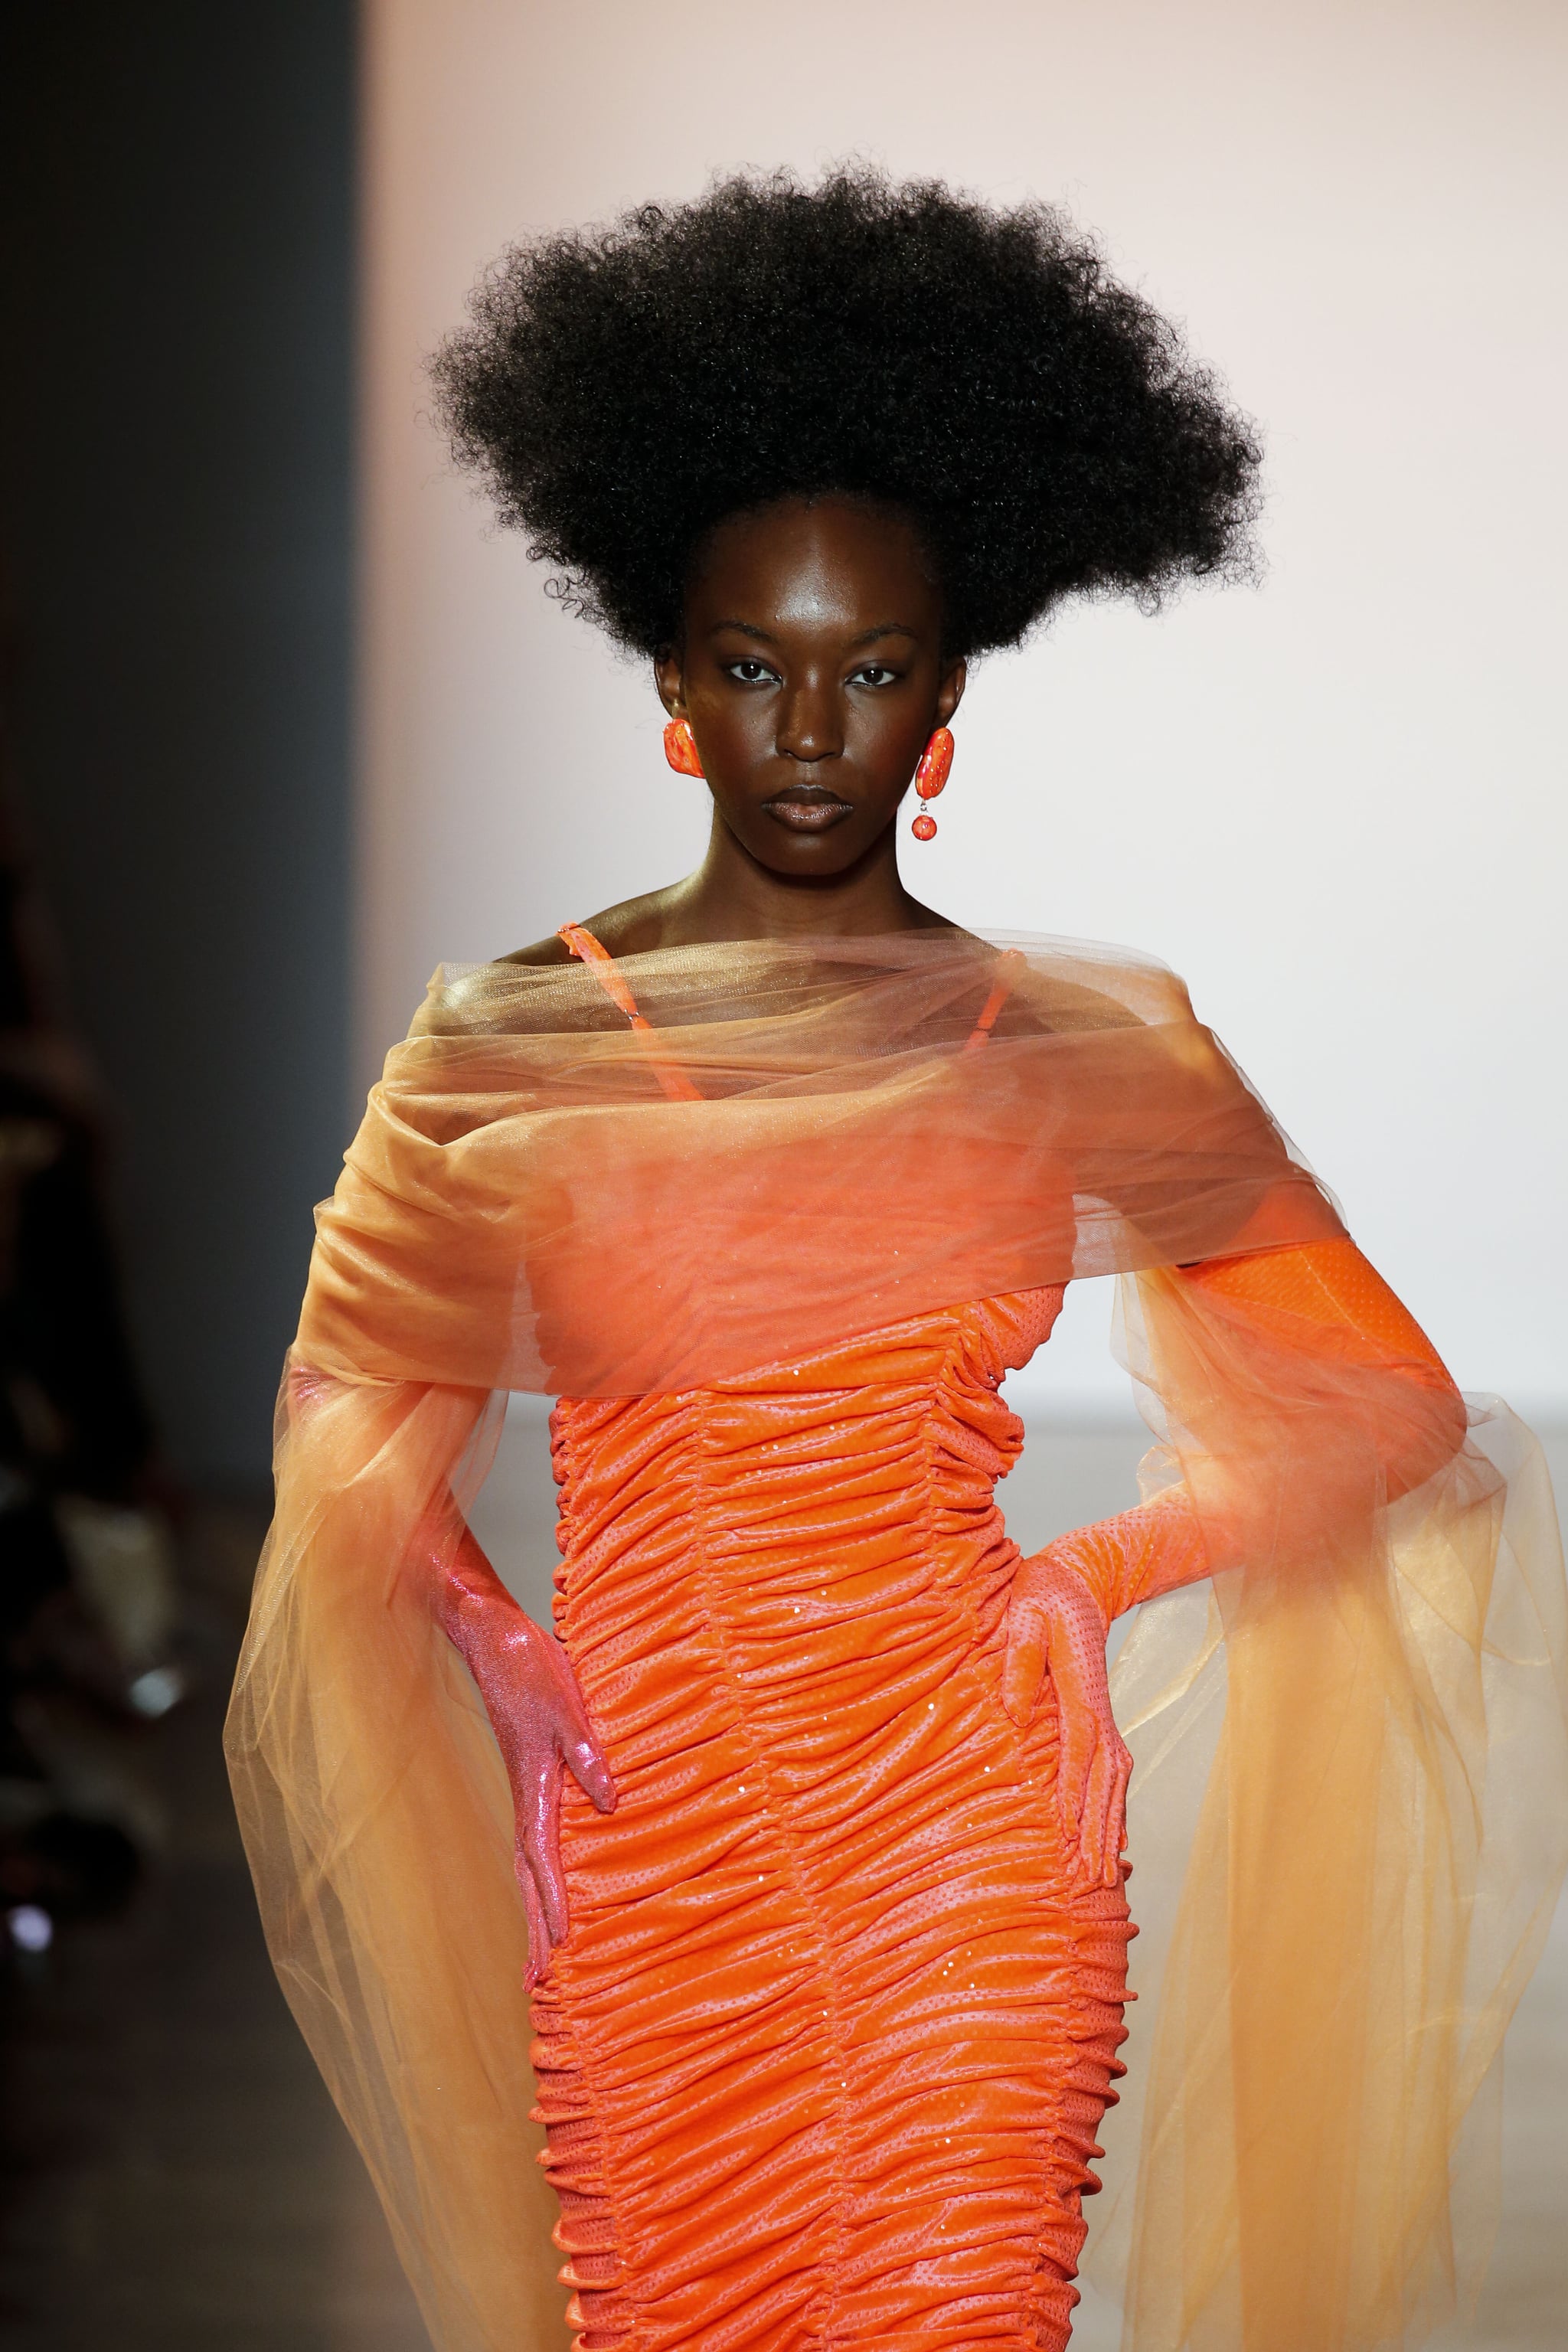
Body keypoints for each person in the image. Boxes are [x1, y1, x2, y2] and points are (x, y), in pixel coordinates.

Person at [227, 170, 1568, 2352]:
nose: (814, 729)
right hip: (648, 1834)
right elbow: (334, 1415)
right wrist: (490, 1639)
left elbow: (1393, 1408)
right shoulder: (506, 1037)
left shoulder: (1070, 1050)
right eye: (755, 666)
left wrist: (1086, 1577)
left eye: (873, 672)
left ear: (946, 708)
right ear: (672, 689)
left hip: (972, 1833)